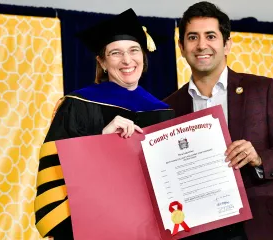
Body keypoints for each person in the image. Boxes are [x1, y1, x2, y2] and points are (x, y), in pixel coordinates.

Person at [164, 1, 273, 240]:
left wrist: (260, 158)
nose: (202, 45)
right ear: (181, 47)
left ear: (227, 44)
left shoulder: (263, 89)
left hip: (260, 225)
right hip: (199, 229)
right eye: (192, 37)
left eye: (210, 36)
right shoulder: (168, 106)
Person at [34, 9, 174, 239]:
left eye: (134, 51)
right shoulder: (77, 105)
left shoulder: (162, 112)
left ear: (143, 56)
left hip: (148, 230)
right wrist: (100, 141)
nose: (127, 60)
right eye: (116, 53)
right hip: (95, 226)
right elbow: (55, 169)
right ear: (102, 61)